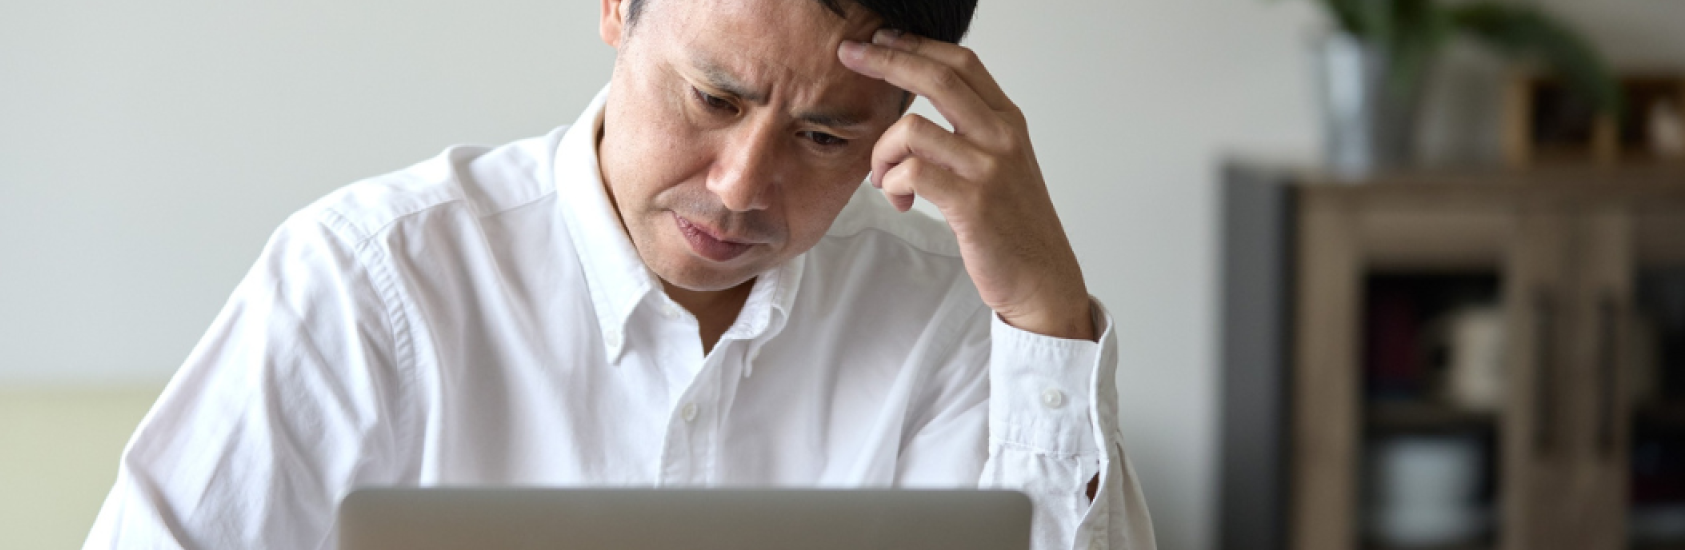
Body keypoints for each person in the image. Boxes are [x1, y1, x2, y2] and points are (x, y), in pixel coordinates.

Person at [83, 0, 1156, 548]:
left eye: (826, 138)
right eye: (715, 99)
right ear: (614, 8)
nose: (742, 187)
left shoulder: (958, 318)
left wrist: (1046, 320)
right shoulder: (370, 281)